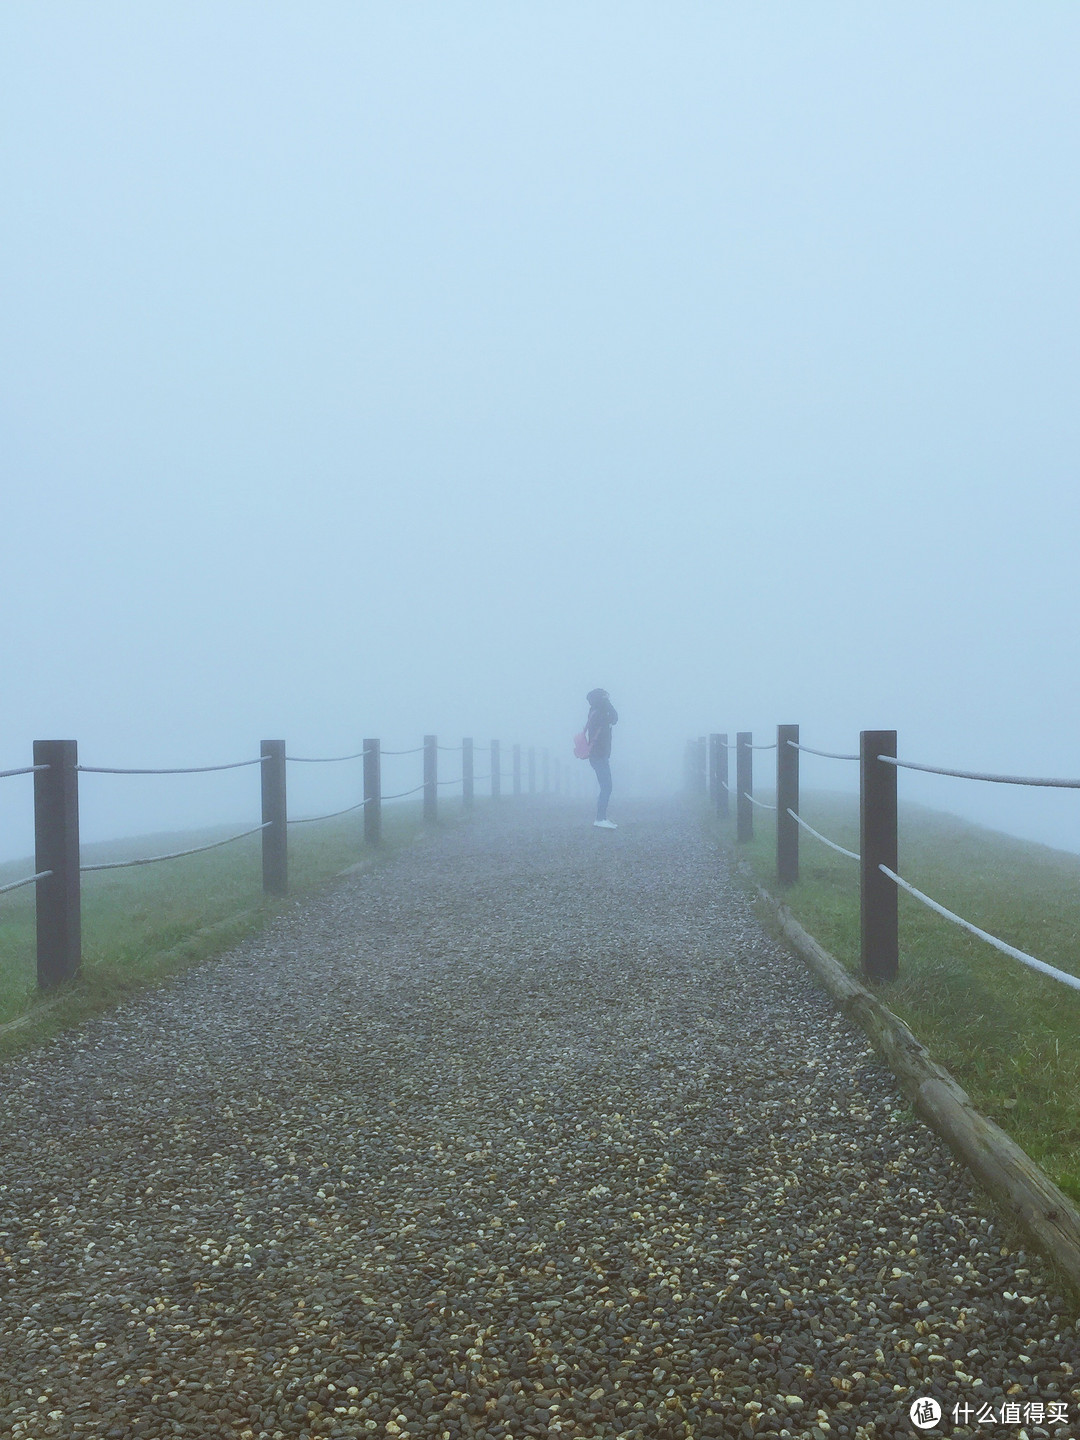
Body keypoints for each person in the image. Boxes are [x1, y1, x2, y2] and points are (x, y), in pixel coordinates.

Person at [585, 688, 618, 829]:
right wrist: (608, 703)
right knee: (607, 786)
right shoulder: (600, 713)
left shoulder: (595, 711)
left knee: (606, 786)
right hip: (599, 755)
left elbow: (613, 719)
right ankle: (600, 818)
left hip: (597, 754)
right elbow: (615, 718)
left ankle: (601, 818)